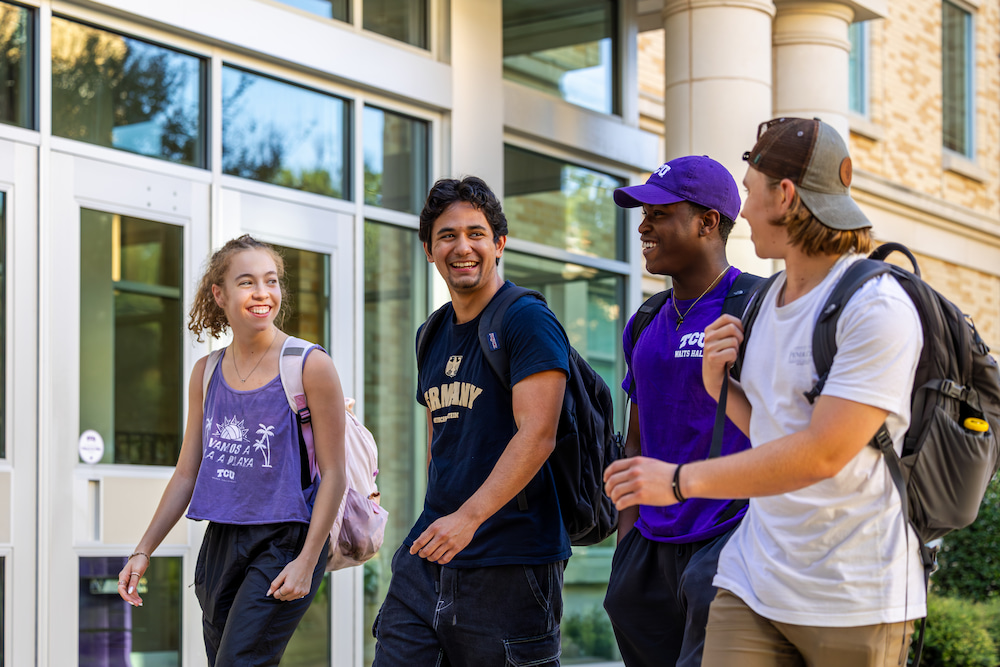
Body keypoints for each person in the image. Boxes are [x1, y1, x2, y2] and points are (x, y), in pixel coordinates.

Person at [605, 118, 925, 666]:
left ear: (785, 195)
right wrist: (719, 389)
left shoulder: (870, 304)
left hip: (841, 584)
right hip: (745, 574)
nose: (744, 209)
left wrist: (679, 483)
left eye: (750, 191)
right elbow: (765, 429)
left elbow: (822, 453)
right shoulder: (754, 305)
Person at [117, 235, 347, 666]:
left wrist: (307, 559)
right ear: (219, 294)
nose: (263, 293)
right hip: (222, 539)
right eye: (247, 282)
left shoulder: (309, 365)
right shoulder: (206, 373)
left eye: (271, 281)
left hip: (286, 538)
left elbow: (335, 473)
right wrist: (143, 550)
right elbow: (188, 471)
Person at [371, 176, 570, 666]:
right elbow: (440, 434)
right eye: (447, 235)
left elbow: (539, 434)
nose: (463, 247)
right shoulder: (432, 332)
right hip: (432, 553)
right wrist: (439, 515)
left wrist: (468, 519)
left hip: (512, 559)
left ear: (499, 244)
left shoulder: (527, 320)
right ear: (428, 250)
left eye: (476, 234)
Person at [602, 155, 756, 667]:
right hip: (648, 549)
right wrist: (626, 551)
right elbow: (635, 443)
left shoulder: (757, 307)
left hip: (728, 540)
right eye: (643, 213)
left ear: (707, 222)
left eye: (660, 213)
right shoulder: (645, 320)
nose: (643, 225)